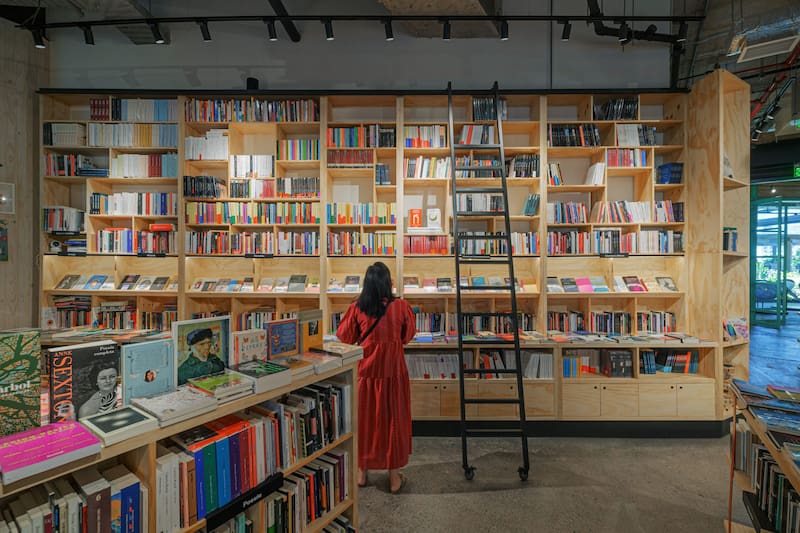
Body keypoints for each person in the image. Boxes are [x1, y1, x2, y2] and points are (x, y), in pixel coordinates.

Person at [336, 261, 416, 494]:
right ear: (388, 283)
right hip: (393, 375)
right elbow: (407, 336)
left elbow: (344, 337)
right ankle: (394, 478)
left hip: (365, 375)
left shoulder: (357, 307)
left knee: (364, 422)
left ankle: (362, 472)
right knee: (394, 423)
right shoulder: (401, 307)